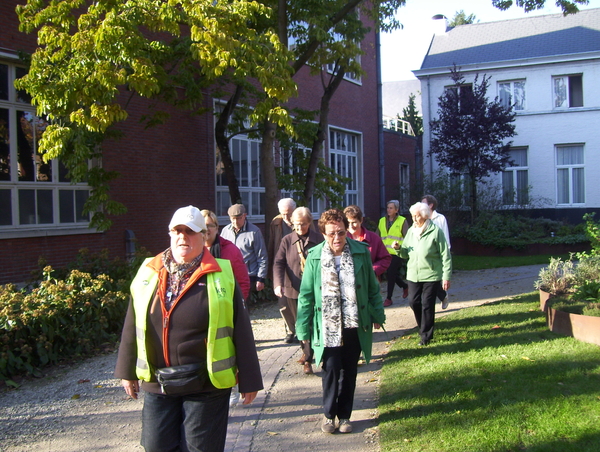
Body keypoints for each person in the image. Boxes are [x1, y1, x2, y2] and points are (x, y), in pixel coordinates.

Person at [114, 205, 263, 452]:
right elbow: (133, 321)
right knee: (156, 446)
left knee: (200, 448)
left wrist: (249, 379)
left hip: (206, 383)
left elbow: (241, 329)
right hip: (158, 381)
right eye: (177, 231)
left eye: (190, 231)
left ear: (203, 236)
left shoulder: (221, 274)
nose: (183, 237)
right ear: (170, 234)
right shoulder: (149, 272)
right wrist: (127, 370)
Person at [296, 209, 385, 434]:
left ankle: (345, 416)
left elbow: (372, 288)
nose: (337, 238)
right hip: (327, 324)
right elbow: (306, 295)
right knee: (331, 368)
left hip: (355, 322)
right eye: (331, 233)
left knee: (349, 371)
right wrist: (303, 328)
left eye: (341, 233)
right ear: (323, 233)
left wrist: (377, 315)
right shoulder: (314, 255)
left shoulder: (361, 252)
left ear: (347, 231)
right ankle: (328, 415)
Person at [273, 207, 323, 373]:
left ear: (309, 222)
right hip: (293, 289)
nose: (299, 228)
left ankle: (309, 358)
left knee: (313, 323)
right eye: (296, 224)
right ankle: (306, 352)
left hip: (315, 289)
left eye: (303, 224)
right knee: (299, 324)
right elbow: (279, 262)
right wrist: (278, 283)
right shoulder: (287, 240)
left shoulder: (319, 239)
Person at [395, 202, 452, 346]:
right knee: (413, 302)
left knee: (427, 304)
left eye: (417, 216)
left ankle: (426, 336)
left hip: (431, 274)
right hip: (413, 274)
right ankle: (422, 327)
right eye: (413, 216)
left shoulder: (435, 231)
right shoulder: (411, 231)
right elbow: (405, 254)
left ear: (425, 216)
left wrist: (446, 276)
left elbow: (445, 254)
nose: (414, 219)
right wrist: (398, 249)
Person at [201, 209, 251, 301]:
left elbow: (242, 282)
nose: (205, 229)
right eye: (202, 226)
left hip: (225, 303)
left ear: (216, 228)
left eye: (209, 226)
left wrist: (237, 305)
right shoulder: (192, 251)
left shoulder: (230, 250)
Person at [220, 203, 268, 295]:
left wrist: (260, 278)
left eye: (238, 218)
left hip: (248, 275)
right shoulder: (225, 231)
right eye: (232, 219)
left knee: (244, 305)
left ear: (244, 216)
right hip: (229, 274)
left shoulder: (254, 232)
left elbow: (262, 256)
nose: (235, 222)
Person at [268, 198, 298, 342]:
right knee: (283, 302)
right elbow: (271, 244)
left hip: (297, 267)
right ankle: (290, 330)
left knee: (298, 301)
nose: (286, 217)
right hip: (280, 266)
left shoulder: (301, 221)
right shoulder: (275, 223)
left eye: (289, 213)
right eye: (283, 214)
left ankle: (301, 329)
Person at [343, 205, 391, 280]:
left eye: (354, 222)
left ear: (361, 220)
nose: (351, 226)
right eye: (348, 223)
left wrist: (373, 270)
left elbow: (386, 258)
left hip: (369, 282)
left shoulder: (374, 238)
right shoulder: (341, 239)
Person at [378, 199, 409, 307]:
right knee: (390, 273)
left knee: (391, 273)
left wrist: (403, 249)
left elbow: (407, 237)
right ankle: (405, 286)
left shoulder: (402, 221)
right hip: (384, 252)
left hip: (397, 252)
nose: (388, 210)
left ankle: (389, 298)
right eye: (388, 208)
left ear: (396, 210)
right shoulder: (382, 221)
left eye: (391, 208)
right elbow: (378, 236)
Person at [422, 195, 451, 309]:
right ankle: (438, 299)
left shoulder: (440, 218)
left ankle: (442, 297)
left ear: (430, 205)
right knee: (428, 280)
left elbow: (445, 234)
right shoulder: (422, 217)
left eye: (423, 203)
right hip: (426, 254)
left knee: (435, 279)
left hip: (438, 252)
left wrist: (446, 251)